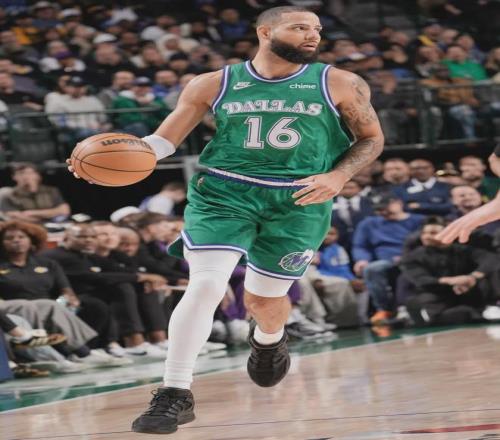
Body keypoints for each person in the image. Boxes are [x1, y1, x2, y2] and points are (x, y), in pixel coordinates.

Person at [69, 6, 384, 434]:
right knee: (206, 284)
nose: (312, 35)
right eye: (299, 27)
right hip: (224, 192)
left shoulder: (340, 82)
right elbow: (162, 141)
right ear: (265, 32)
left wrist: (339, 175)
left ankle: (269, 339)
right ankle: (175, 391)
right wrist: (103, 159)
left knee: (264, 302)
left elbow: (371, 138)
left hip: (300, 197)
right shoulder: (213, 83)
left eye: (316, 28)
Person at [437, 149, 500, 244]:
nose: (467, 168)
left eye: (472, 165)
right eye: (464, 166)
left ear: (484, 166)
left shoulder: (495, 182)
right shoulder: (453, 186)